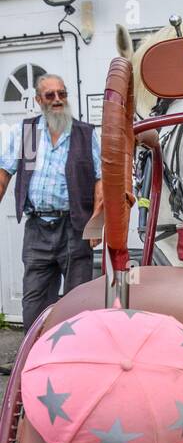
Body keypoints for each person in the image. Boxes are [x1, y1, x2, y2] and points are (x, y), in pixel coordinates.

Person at [0, 75, 103, 330]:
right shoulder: (29, 135)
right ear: (38, 100)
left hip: (75, 227)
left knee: (77, 306)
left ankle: (73, 363)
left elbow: (101, 181)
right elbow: (4, 175)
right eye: (50, 95)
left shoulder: (85, 134)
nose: (57, 100)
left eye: (62, 94)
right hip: (37, 230)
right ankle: (34, 362)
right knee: (34, 305)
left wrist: (97, 222)